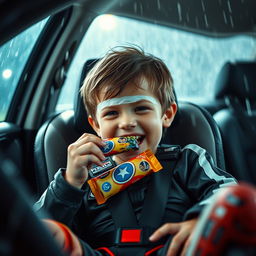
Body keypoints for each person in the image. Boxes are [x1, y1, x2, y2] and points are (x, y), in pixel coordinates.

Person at [34, 46, 237, 256]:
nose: (127, 122)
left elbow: (227, 192)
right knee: (48, 230)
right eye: (112, 113)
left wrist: (203, 222)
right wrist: (69, 183)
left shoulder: (187, 158)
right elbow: (33, 230)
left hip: (176, 250)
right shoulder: (83, 175)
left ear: (166, 115)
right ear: (96, 125)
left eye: (141, 108)